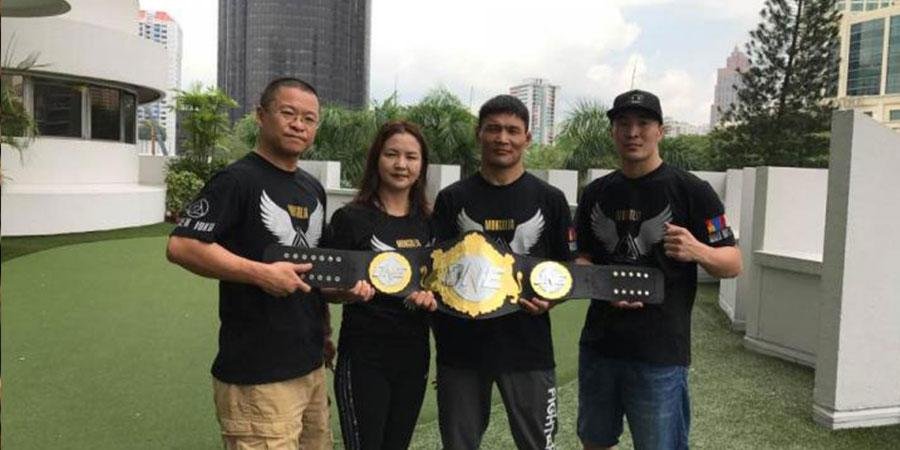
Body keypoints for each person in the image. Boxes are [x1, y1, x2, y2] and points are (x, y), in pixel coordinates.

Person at [166, 77, 372, 450]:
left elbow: (314, 274)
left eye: (309, 119)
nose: (298, 125)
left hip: (309, 365)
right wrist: (262, 274)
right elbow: (182, 245)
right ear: (261, 116)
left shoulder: (311, 188)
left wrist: (343, 296)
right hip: (258, 374)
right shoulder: (236, 180)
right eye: (288, 113)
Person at [574, 89, 742, 450]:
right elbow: (582, 260)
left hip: (660, 352)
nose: (633, 132)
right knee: (595, 442)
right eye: (623, 123)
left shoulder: (693, 190)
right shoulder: (596, 193)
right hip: (600, 345)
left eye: (643, 123)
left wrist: (697, 250)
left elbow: (733, 263)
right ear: (613, 132)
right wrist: (604, 286)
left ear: (660, 131)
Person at [428, 95, 574, 450]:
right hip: (461, 350)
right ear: (479, 134)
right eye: (493, 129)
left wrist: (550, 300)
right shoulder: (452, 199)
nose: (502, 138)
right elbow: (433, 271)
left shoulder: (550, 199)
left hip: (528, 348)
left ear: (527, 138)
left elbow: (565, 270)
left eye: (512, 130)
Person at [323, 120, 438, 450]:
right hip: (364, 356)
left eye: (411, 157)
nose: (401, 164)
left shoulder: (431, 222)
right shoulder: (350, 219)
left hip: (414, 356)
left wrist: (432, 299)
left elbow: (440, 285)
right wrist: (347, 293)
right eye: (392, 154)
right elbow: (324, 287)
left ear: (422, 165)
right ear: (377, 159)